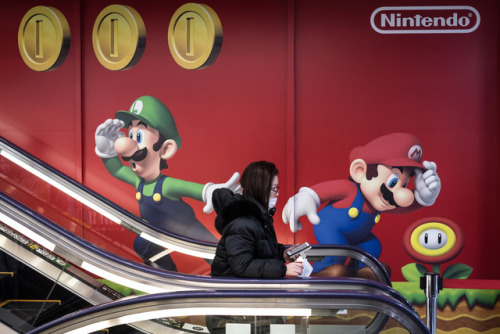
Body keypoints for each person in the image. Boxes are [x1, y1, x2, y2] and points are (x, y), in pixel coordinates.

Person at [95, 96, 239, 271]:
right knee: (141, 244)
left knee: (216, 254)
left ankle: (234, 280)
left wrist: (214, 192)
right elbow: (117, 170)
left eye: (138, 136)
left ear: (165, 149)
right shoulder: (137, 181)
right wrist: (106, 151)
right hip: (156, 233)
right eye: (131, 134)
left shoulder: (166, 185)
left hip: (187, 228)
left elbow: (196, 190)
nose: (129, 144)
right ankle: (168, 273)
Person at [282, 133, 441, 280]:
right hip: (331, 230)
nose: (401, 192)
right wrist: (308, 197)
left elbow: (402, 206)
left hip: (358, 237)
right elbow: (322, 191)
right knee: (337, 251)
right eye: (393, 182)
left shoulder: (377, 200)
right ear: (360, 171)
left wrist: (423, 198)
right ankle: (319, 270)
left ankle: (359, 269)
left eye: (404, 184)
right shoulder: (349, 189)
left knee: (373, 246)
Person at [211, 161, 303, 278]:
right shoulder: (243, 223)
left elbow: (259, 249)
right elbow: (242, 266)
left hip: (244, 289)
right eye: (274, 188)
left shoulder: (259, 217)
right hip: (232, 292)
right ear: (261, 189)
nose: (277, 194)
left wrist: (283, 254)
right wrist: (282, 269)